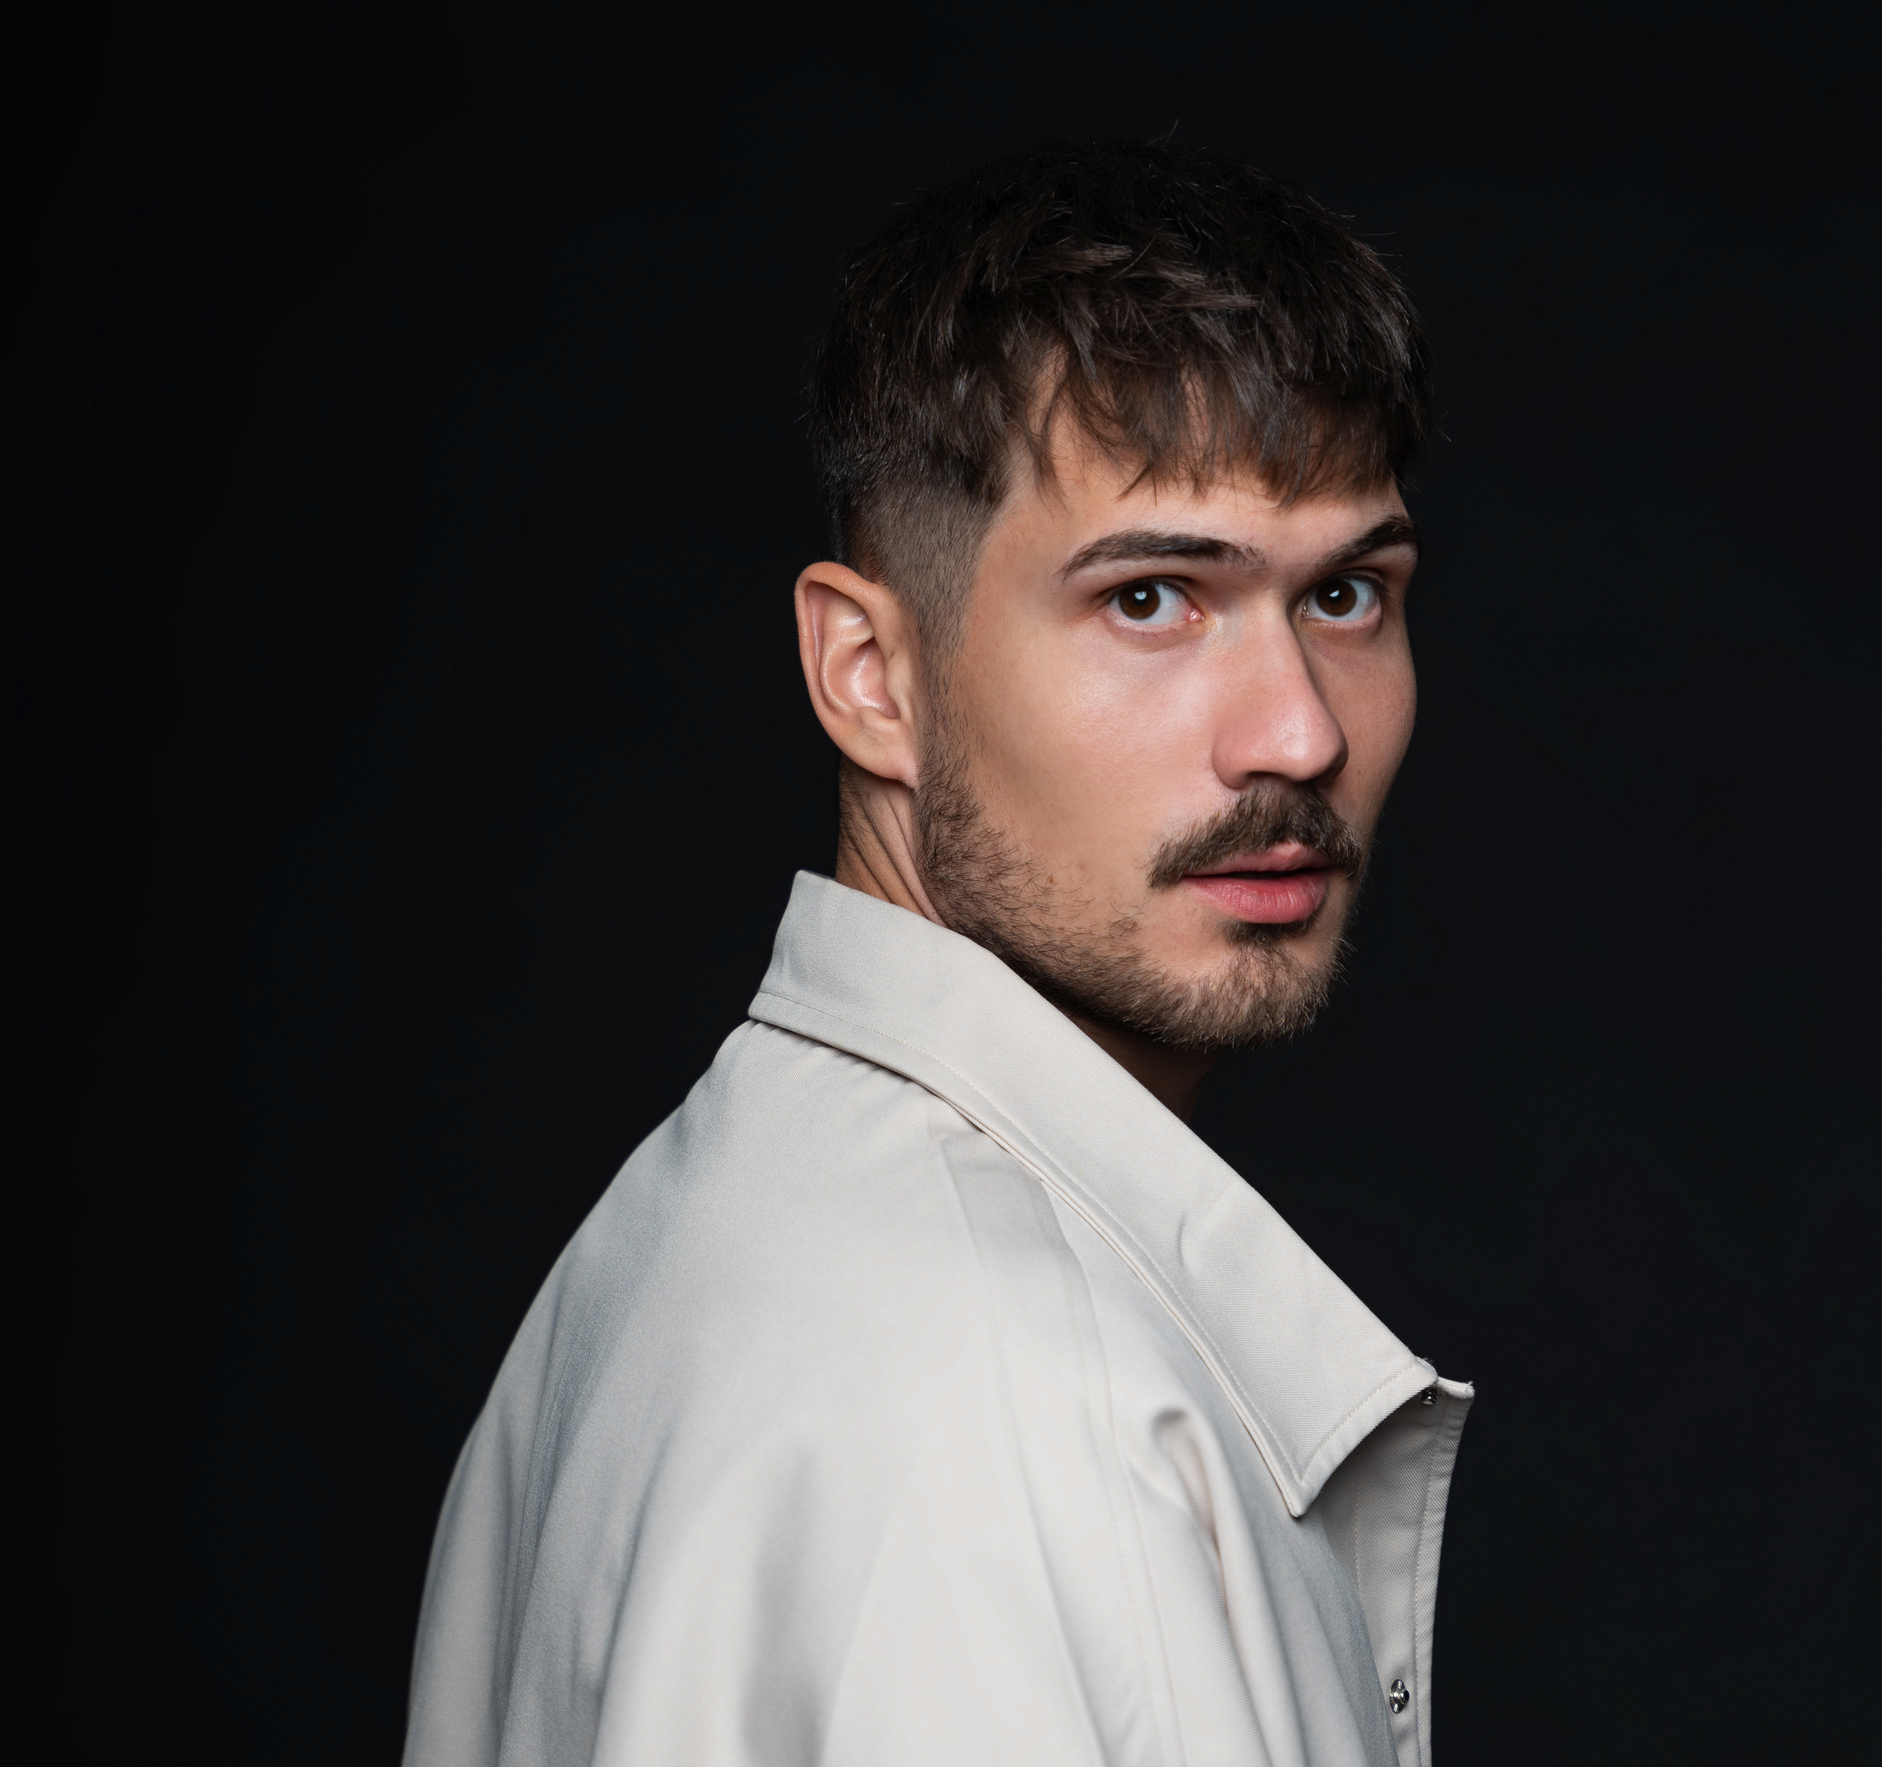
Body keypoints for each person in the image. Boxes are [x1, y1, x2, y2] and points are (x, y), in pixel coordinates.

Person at [403, 139, 1472, 1767]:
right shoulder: (1011, 1418)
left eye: (1344, 598)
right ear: (868, 673)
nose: (1299, 735)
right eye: (1153, 599)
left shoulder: (696, 1229)